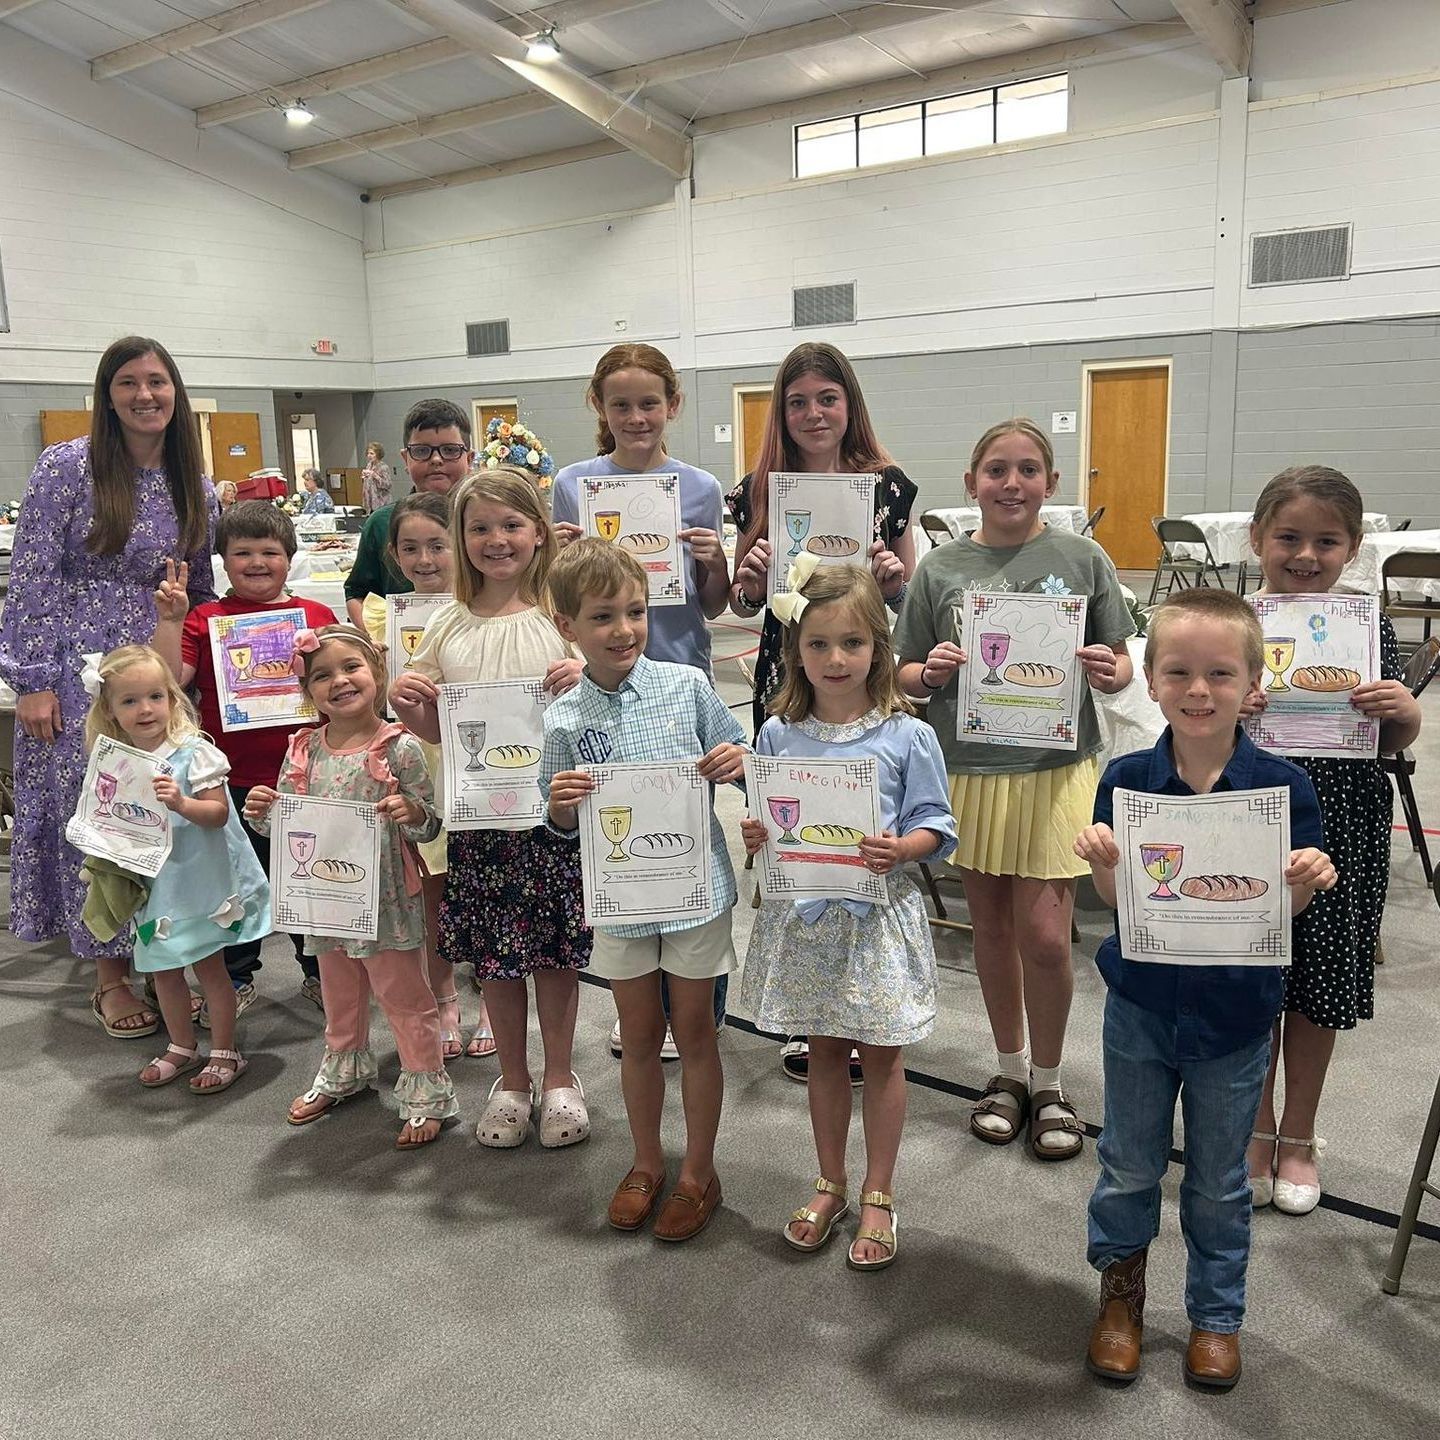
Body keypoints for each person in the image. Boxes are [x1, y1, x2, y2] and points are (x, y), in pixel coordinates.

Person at [1075, 587, 1334, 1389]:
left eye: (1220, 674)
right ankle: (1121, 1297)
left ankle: (1216, 1315)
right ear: (1149, 680)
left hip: (1234, 1016)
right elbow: (1118, 909)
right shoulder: (1125, 780)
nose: (1198, 690)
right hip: (1142, 1010)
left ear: (1254, 685)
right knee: (1127, 1163)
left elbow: (1273, 920)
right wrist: (1103, 869)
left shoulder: (1284, 792)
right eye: (1179, 672)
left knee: (1221, 1182)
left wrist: (1307, 880)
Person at [894, 417, 1134, 1160]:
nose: (1012, 482)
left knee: (1045, 936)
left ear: (1051, 485)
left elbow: (1124, 665)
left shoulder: (1083, 558)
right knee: (992, 930)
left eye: (1028, 469)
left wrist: (1107, 670)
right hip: (969, 769)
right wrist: (927, 675)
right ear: (971, 485)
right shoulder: (939, 571)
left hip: (1055, 770)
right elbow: (902, 674)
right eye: (996, 469)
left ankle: (1053, 1079)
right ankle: (1006, 1073)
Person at [740, 562, 955, 1270]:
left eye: (853, 644)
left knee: (882, 1056)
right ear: (796, 651)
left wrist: (904, 848)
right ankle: (829, 1180)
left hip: (874, 920)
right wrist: (756, 835)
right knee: (824, 1053)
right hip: (805, 920)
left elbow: (936, 824)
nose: (836, 660)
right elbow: (767, 818)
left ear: (879, 650)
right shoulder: (776, 733)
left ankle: (879, 1192)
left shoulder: (905, 735)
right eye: (819, 645)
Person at [0, 335, 216, 1040]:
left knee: (159, 813)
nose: (145, 395)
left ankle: (166, 957)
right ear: (107, 394)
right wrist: (33, 681)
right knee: (94, 817)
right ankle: (109, 975)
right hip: (75, 672)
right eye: (128, 383)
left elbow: (204, 590)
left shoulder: (196, 485)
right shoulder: (68, 468)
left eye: (157, 381)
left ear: (175, 392)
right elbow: (30, 576)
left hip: (156, 672)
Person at [542, 539, 748, 1241]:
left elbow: (745, 761)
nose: (624, 629)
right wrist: (563, 805)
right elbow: (561, 825)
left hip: (694, 891)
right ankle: (644, 1162)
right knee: (636, 1036)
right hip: (622, 903)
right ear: (567, 626)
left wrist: (734, 759)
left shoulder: (687, 686)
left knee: (694, 1032)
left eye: (635, 611)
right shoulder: (563, 719)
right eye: (602, 617)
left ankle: (698, 1170)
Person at [728, 341, 917, 1084]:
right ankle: (810, 1013)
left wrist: (897, 578)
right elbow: (746, 601)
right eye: (798, 400)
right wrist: (746, 576)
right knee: (799, 830)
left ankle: (866, 996)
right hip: (789, 671)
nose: (813, 413)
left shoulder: (889, 485)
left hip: (862, 670)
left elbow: (902, 597)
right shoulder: (760, 486)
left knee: (860, 827)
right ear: (783, 409)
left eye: (826, 399)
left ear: (849, 405)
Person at [390, 468, 589, 1150]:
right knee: (499, 962)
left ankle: (561, 1075)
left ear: (539, 532)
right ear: (460, 538)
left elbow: (601, 710)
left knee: (557, 954)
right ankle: (513, 1079)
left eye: (511, 525)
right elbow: (442, 732)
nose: (496, 540)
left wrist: (583, 674)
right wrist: (412, 703)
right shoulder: (447, 624)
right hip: (481, 821)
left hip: (552, 819)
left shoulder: (564, 619)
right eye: (479, 528)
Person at [1242, 467, 1421, 1216]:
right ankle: (1252, 1130)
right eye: (1290, 537)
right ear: (1257, 539)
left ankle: (1301, 1134)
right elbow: (1181, 712)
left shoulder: (1366, 625)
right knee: (1252, 980)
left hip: (1344, 815)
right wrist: (1226, 701)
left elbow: (1393, 743)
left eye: (1327, 540)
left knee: (1318, 984)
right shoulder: (1231, 619)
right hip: (1248, 811)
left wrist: (1404, 710)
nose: (1306, 554)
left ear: (1352, 549)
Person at [551, 343, 732, 1058]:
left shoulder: (701, 486)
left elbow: (711, 606)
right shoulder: (573, 483)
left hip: (679, 673)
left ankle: (697, 1010)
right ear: (600, 407)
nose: (635, 416)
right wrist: (554, 555)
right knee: (620, 836)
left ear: (672, 406)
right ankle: (642, 1013)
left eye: (648, 403)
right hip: (599, 689)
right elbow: (562, 595)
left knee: (688, 839)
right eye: (620, 404)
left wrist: (714, 563)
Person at [245, 625, 457, 1149]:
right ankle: (344, 1068)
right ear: (307, 691)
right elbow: (290, 824)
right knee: (339, 990)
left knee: (404, 995)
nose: (339, 681)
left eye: (351, 668)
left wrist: (411, 811)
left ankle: (426, 1088)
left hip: (385, 898)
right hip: (324, 897)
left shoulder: (400, 748)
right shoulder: (301, 749)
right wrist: (262, 814)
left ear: (377, 673)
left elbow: (430, 823)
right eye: (322, 676)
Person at [151, 502, 336, 1016]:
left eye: (270, 552)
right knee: (233, 881)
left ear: (290, 558)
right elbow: (169, 680)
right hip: (228, 781)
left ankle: (321, 971)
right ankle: (235, 978)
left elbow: (345, 679)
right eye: (243, 553)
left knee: (307, 878)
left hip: (305, 777)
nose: (257, 562)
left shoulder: (316, 618)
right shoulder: (206, 618)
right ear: (223, 561)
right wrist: (170, 619)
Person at [78, 646, 269, 1092]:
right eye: (129, 701)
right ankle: (182, 1045)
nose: (145, 709)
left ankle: (225, 1050)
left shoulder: (193, 752)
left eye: (154, 697)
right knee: (161, 967)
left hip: (198, 882)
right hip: (153, 884)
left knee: (209, 968)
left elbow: (219, 815)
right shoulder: (115, 761)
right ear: (110, 710)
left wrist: (181, 801)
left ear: (171, 697)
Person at [365, 491, 495, 1062]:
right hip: (418, 762)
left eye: (438, 546)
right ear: (393, 554)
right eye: (411, 548)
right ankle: (443, 994)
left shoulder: (487, 610)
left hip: (481, 759)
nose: (425, 559)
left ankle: (493, 995)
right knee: (435, 891)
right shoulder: (381, 616)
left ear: (460, 547)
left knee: (490, 884)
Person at [345, 400, 473, 635]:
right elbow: (358, 593)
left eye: (450, 450)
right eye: (422, 451)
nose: (436, 460)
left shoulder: (484, 523)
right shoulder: (382, 523)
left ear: (470, 458)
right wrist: (379, 641)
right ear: (405, 459)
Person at [362, 441, 392, 514]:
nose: (369, 455)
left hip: (381, 502)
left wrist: (375, 475)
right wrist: (365, 477)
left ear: (378, 454)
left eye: (372, 453)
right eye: (368, 453)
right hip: (370, 502)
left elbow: (388, 485)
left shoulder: (383, 467)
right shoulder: (369, 465)